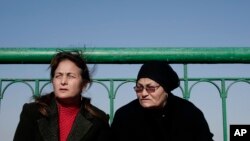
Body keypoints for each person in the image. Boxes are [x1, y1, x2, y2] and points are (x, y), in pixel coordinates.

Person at [14, 51, 111, 141]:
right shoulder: (32, 112)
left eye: (70, 76)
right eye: (58, 76)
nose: (63, 81)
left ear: (84, 84)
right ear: (53, 81)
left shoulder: (98, 121)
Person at [111, 61, 214, 141]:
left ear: (165, 88)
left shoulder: (189, 113)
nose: (144, 93)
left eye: (151, 88)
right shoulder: (125, 115)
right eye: (139, 88)